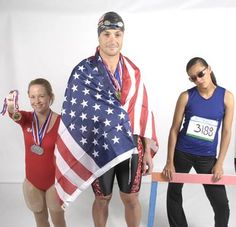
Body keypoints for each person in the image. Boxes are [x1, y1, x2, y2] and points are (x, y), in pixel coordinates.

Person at [55, 11, 158, 227]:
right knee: (103, 198)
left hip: (130, 143)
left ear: (123, 37)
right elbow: (75, 112)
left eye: (117, 34)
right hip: (100, 143)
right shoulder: (84, 70)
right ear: (99, 37)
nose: (112, 39)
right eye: (107, 34)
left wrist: (147, 149)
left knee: (130, 198)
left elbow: (143, 109)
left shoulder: (133, 70)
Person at [162, 57, 234, 227]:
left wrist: (220, 163)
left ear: (209, 69)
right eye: (193, 78)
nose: (198, 80)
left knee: (222, 205)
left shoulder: (227, 97)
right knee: (174, 193)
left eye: (200, 74)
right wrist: (169, 161)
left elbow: (226, 131)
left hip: (207, 157)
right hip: (182, 152)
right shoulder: (186, 96)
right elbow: (174, 130)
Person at [6, 78, 66, 227]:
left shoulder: (62, 122)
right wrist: (11, 107)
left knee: (58, 222)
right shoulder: (25, 118)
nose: (37, 101)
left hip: (54, 182)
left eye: (41, 96)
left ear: (50, 97)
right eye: (32, 96)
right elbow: (14, 114)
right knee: (41, 221)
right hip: (33, 182)